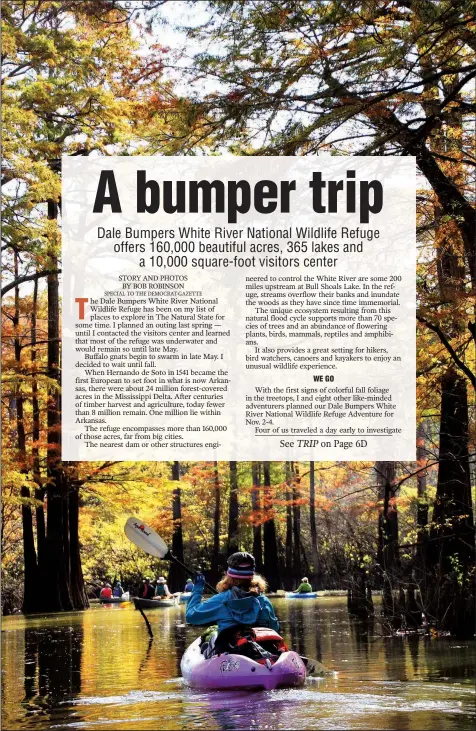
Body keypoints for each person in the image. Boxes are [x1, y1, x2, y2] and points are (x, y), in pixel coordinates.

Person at [186, 552, 279, 634]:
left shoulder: (221, 600)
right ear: (253, 577)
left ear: (229, 577)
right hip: (260, 649)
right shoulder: (265, 602)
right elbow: (275, 629)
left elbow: (190, 616)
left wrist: (198, 588)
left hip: (230, 650)